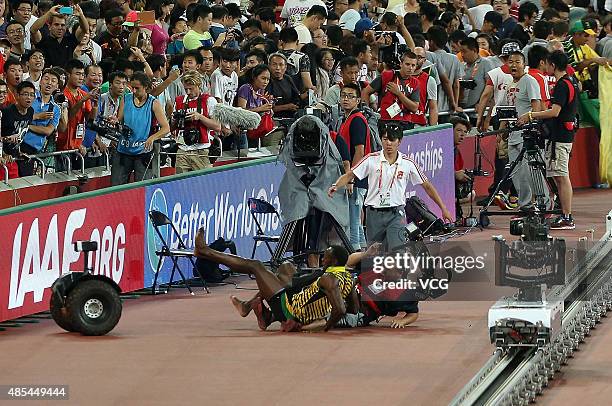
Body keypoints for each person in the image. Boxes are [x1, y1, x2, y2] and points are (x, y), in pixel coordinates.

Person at [194, 229, 355, 332]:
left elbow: (340, 310)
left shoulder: (329, 279)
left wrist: (322, 327)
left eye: (324, 258)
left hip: (290, 309)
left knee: (256, 266)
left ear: (333, 262)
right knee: (286, 267)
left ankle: (205, 252)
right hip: (298, 300)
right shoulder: (348, 278)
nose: (321, 259)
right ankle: (254, 310)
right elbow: (353, 309)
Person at [329, 121, 453, 251]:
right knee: (375, 255)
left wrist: (443, 208)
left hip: (396, 214)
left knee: (397, 251)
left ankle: (400, 268)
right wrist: (336, 185)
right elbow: (350, 175)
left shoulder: (408, 163)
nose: (388, 143)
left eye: (392, 139)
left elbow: (427, 186)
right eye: (385, 139)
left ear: (399, 142)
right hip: (374, 214)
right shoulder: (370, 159)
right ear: (381, 140)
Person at [517, 51, 578, 230]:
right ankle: (565, 215)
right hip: (562, 135)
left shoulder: (562, 85)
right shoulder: (572, 81)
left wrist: (530, 115)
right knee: (559, 177)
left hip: (560, 136)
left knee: (561, 176)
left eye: (548, 65)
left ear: (552, 65)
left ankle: (567, 217)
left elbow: (554, 112)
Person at [504, 51, 549, 216]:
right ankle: (525, 206)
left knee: (532, 172)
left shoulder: (529, 81)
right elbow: (506, 110)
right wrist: (502, 133)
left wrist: (533, 126)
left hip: (527, 135)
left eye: (517, 62)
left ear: (524, 64)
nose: (514, 65)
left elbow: (536, 105)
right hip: (512, 135)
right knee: (517, 174)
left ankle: (545, 203)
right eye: (510, 62)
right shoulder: (509, 84)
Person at [112, 72, 170, 185]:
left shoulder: (154, 103)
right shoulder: (126, 98)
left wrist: (152, 138)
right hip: (123, 150)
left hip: (143, 152)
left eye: (137, 88)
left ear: (146, 87)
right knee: (116, 188)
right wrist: (114, 120)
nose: (133, 91)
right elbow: (119, 119)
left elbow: (166, 128)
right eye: (132, 87)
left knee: (142, 189)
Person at [172, 71, 221, 173]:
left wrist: (200, 117)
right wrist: (176, 119)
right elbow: (172, 127)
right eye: (186, 89)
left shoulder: (209, 100)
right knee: (181, 185)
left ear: (198, 85)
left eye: (191, 88)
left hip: (201, 150)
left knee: (203, 185)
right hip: (182, 150)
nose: (188, 92)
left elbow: (217, 126)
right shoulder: (179, 101)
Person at [362, 51, 420, 130]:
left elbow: (414, 108)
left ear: (416, 67)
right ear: (401, 64)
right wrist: (367, 114)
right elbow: (366, 92)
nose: (410, 68)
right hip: (386, 121)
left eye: (413, 65)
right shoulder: (387, 76)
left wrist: (398, 93)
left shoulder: (415, 83)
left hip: (406, 122)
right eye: (407, 64)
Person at [19, 69, 61, 176]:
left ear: (57, 86)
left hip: (36, 150)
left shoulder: (56, 109)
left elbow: (48, 131)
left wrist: (28, 125)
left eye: (53, 81)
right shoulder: (29, 97)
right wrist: (37, 116)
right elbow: (18, 118)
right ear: (41, 82)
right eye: (46, 79)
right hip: (19, 145)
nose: (49, 83)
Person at [0, 81, 35, 177]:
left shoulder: (31, 112)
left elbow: (20, 132)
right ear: (17, 95)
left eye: (32, 95)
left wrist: (19, 152)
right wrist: (2, 153)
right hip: (3, 159)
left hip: (13, 158)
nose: (29, 97)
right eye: (25, 94)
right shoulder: (6, 113)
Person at [266, 53, 301, 119]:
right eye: (274, 64)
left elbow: (296, 97)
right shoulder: (266, 81)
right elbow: (266, 108)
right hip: (273, 118)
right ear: (269, 66)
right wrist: (287, 107)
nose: (277, 68)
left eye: (281, 65)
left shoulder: (287, 78)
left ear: (285, 67)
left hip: (290, 117)